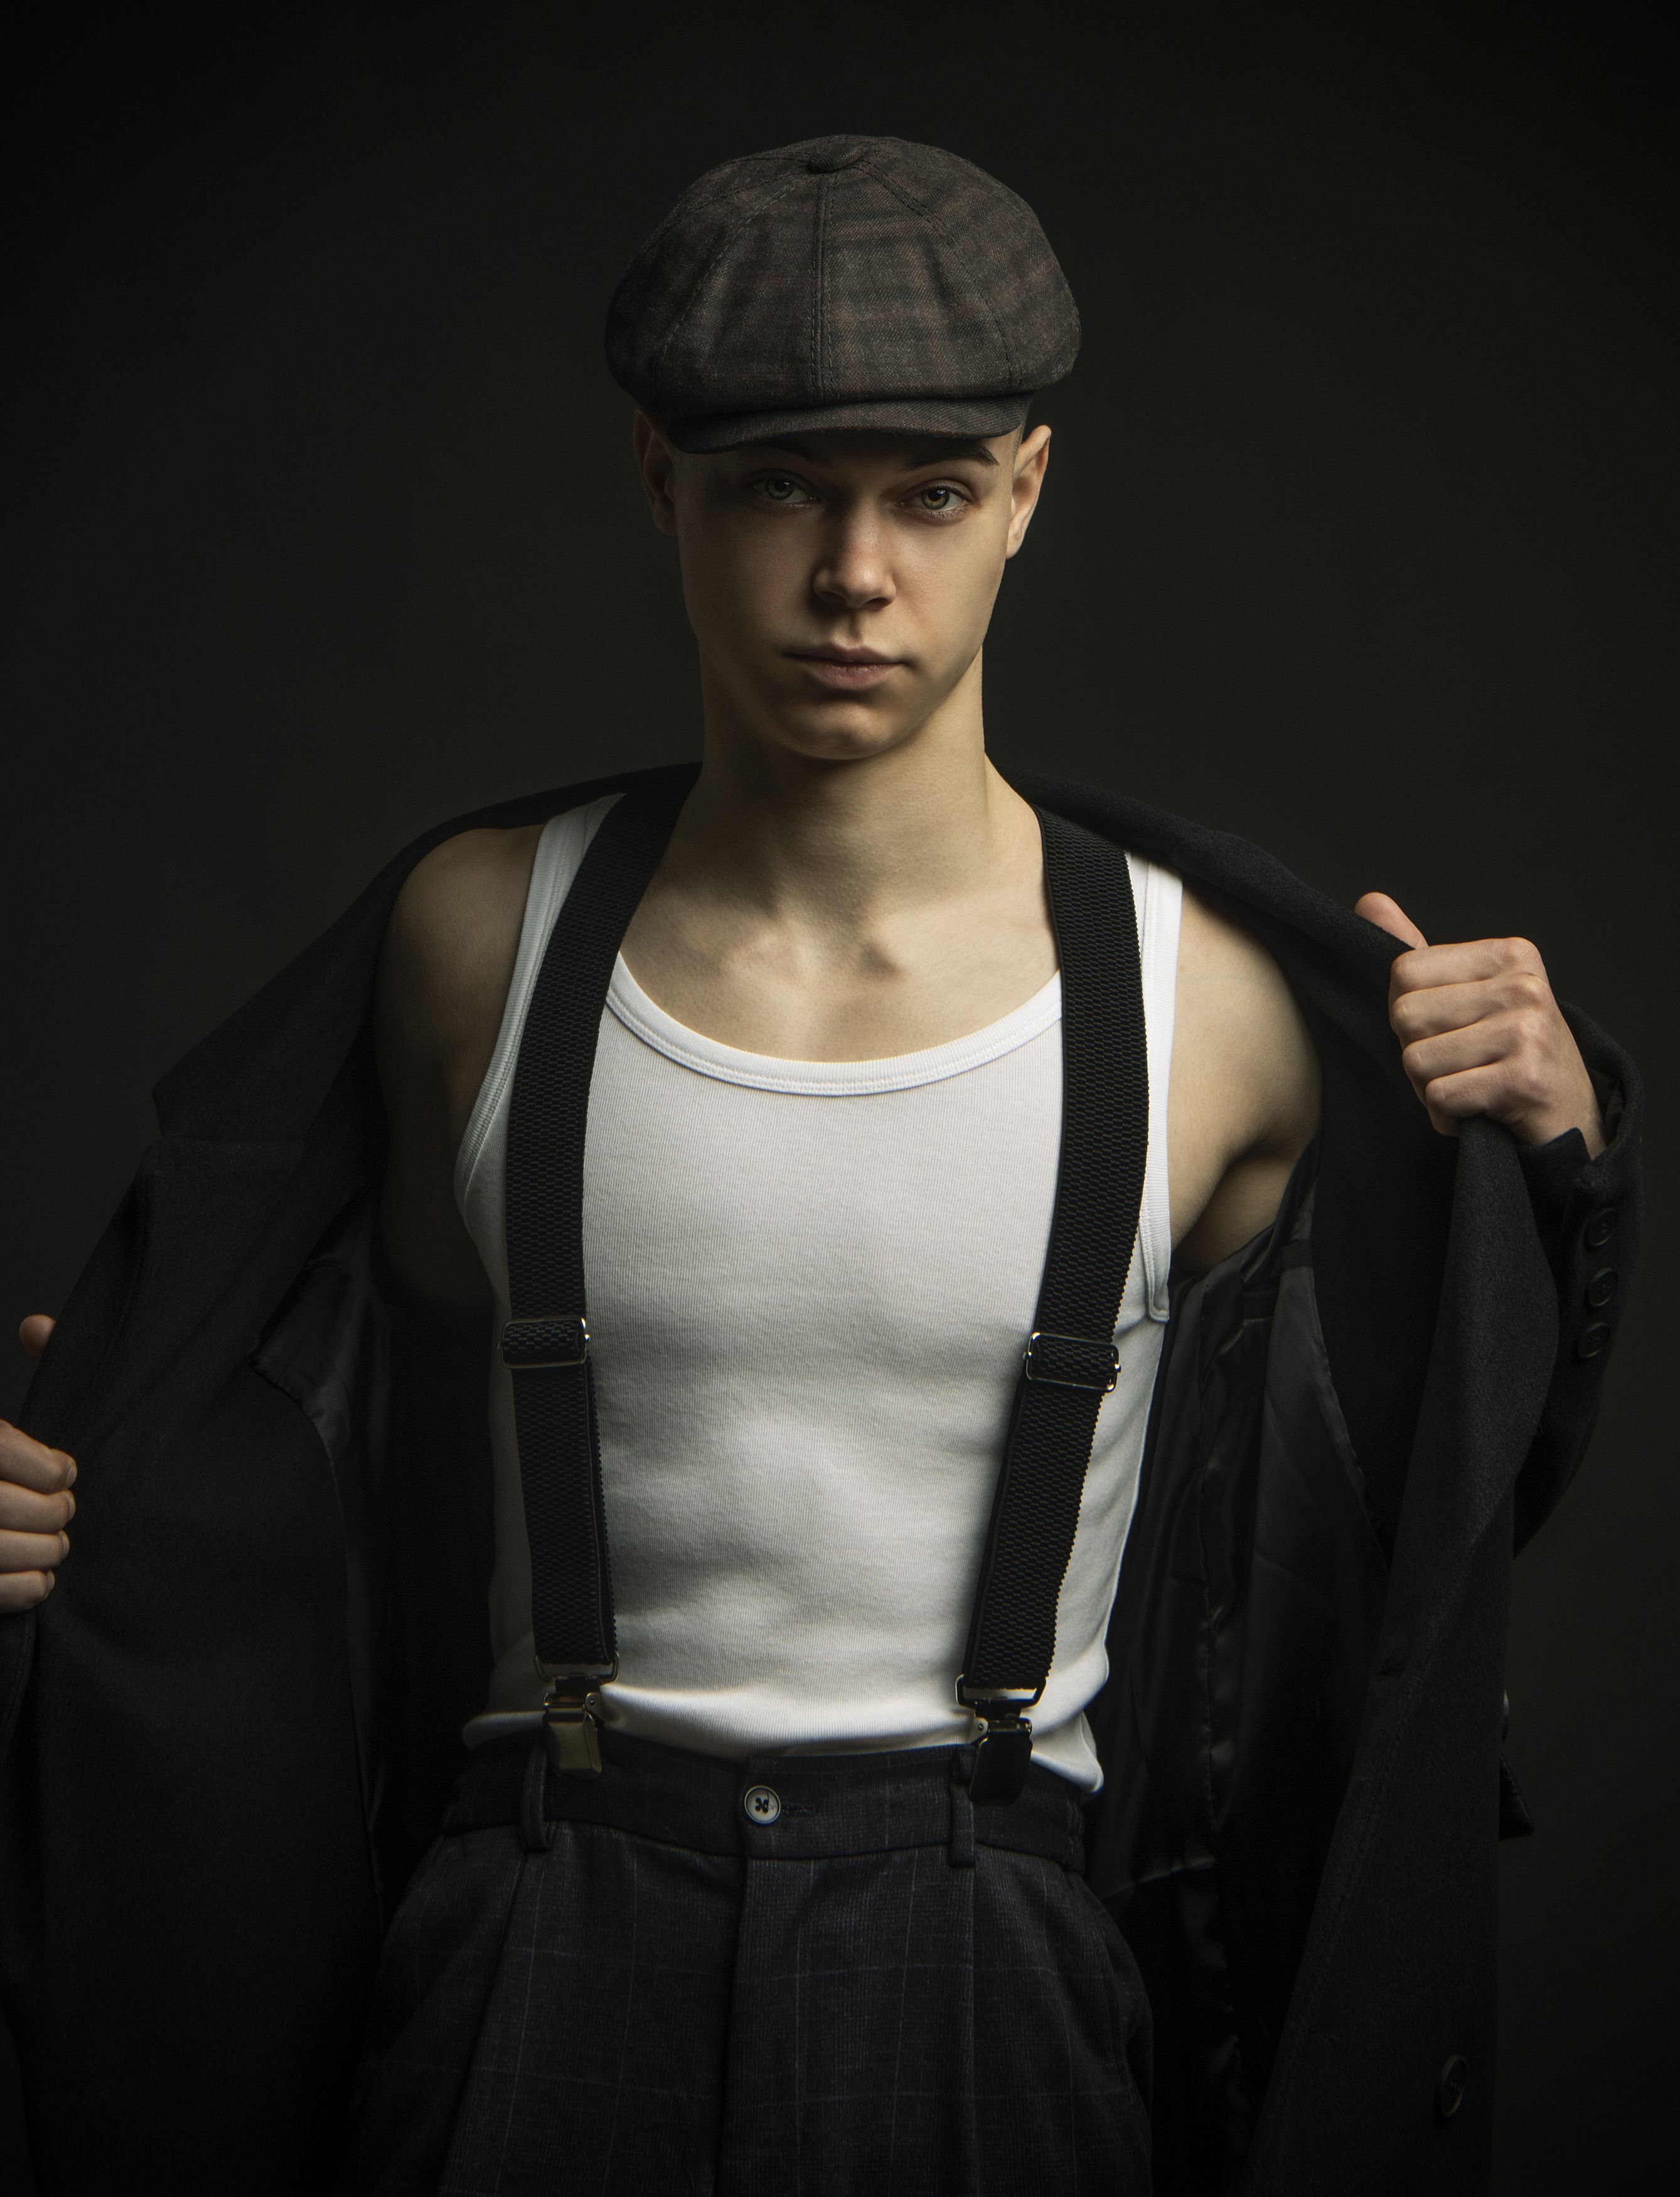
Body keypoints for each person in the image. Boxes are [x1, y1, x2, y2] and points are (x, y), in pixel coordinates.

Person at [0, 136, 1640, 2196]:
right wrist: (99, 1489)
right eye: (783, 486)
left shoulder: (1213, 1012)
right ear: (659, 478)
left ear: (1027, 491)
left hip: (989, 1959)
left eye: (931, 495)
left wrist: (1552, 1169)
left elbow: (1412, 1516)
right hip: (536, 1929)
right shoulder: (474, 946)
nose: (856, 573)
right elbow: (320, 1458)